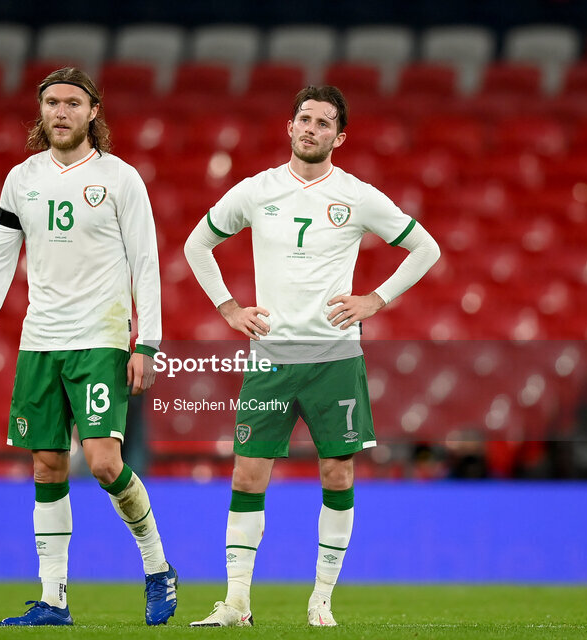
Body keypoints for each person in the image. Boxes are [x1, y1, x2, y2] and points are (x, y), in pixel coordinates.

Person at [184, 85, 440, 627]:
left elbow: (426, 247)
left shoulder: (357, 195)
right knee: (247, 476)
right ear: (290, 126)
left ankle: (321, 599)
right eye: (305, 118)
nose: (311, 128)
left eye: (324, 123)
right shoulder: (256, 190)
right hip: (271, 358)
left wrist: (376, 299)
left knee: (338, 476)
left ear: (339, 137)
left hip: (334, 359)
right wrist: (229, 308)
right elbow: (196, 244)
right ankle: (236, 603)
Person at [0, 67, 177, 627]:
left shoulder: (121, 179)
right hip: (40, 342)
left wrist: (148, 342)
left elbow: (146, 263)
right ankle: (54, 599)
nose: (61, 112)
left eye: (73, 103)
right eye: (52, 102)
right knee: (47, 466)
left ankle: (158, 568)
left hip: (100, 338)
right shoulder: (22, 179)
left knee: (104, 463)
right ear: (41, 112)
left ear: (93, 112)